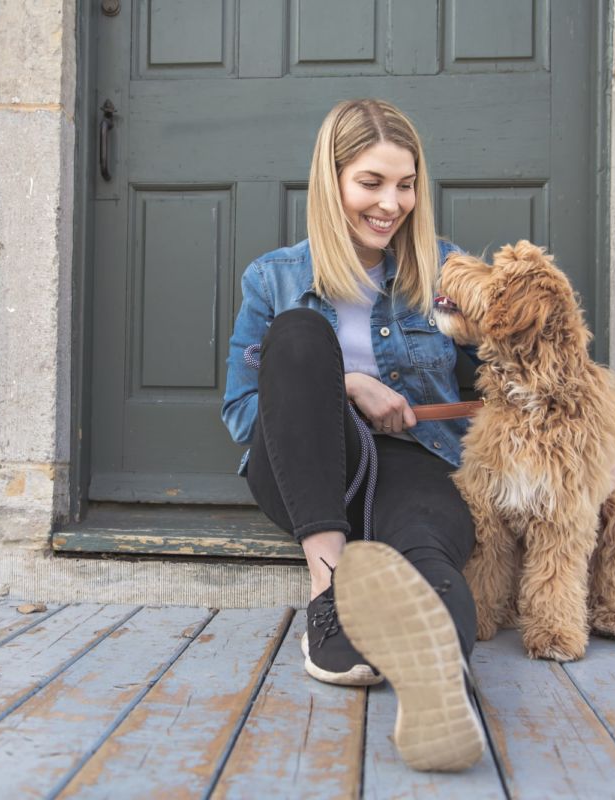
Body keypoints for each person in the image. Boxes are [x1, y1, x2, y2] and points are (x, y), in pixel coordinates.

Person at [220, 99, 487, 772]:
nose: (391, 203)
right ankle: (328, 588)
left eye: (405, 184)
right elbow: (244, 414)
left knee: (430, 553)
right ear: (331, 180)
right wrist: (345, 385)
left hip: (417, 461)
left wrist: (583, 421)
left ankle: (440, 677)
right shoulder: (273, 277)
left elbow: (497, 390)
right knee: (300, 336)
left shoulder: (449, 271)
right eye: (371, 182)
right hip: (308, 469)